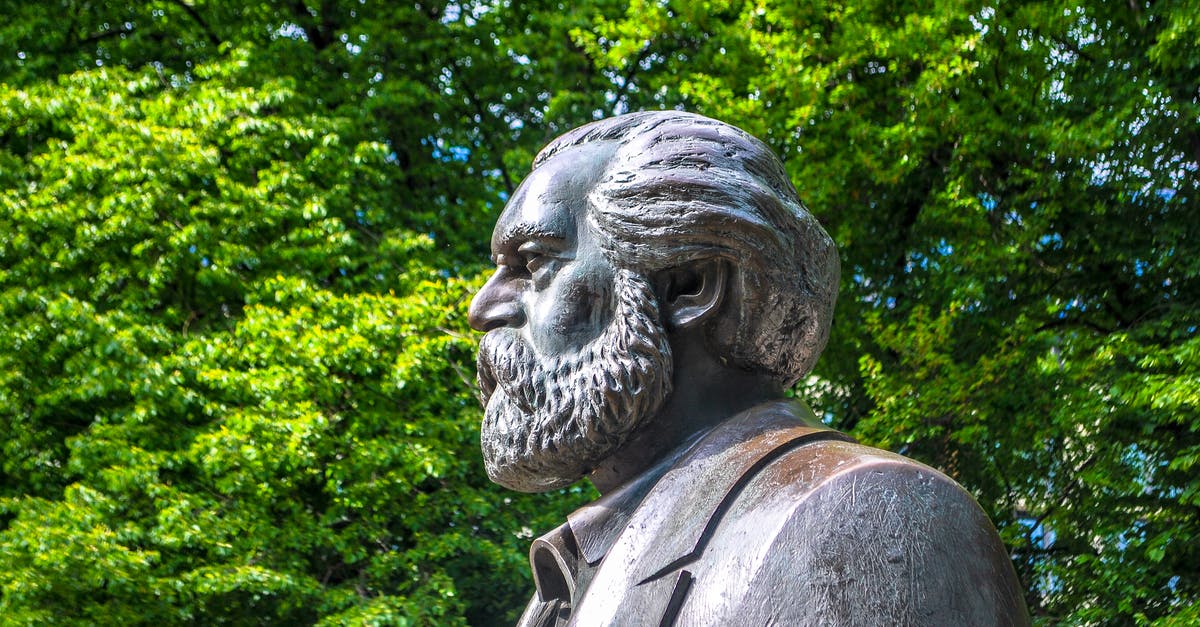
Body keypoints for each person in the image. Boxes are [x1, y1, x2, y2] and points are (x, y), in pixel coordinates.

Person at [469, 111, 1029, 626]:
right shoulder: (568, 577)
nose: (482, 308)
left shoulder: (869, 516)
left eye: (533, 262)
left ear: (688, 286)